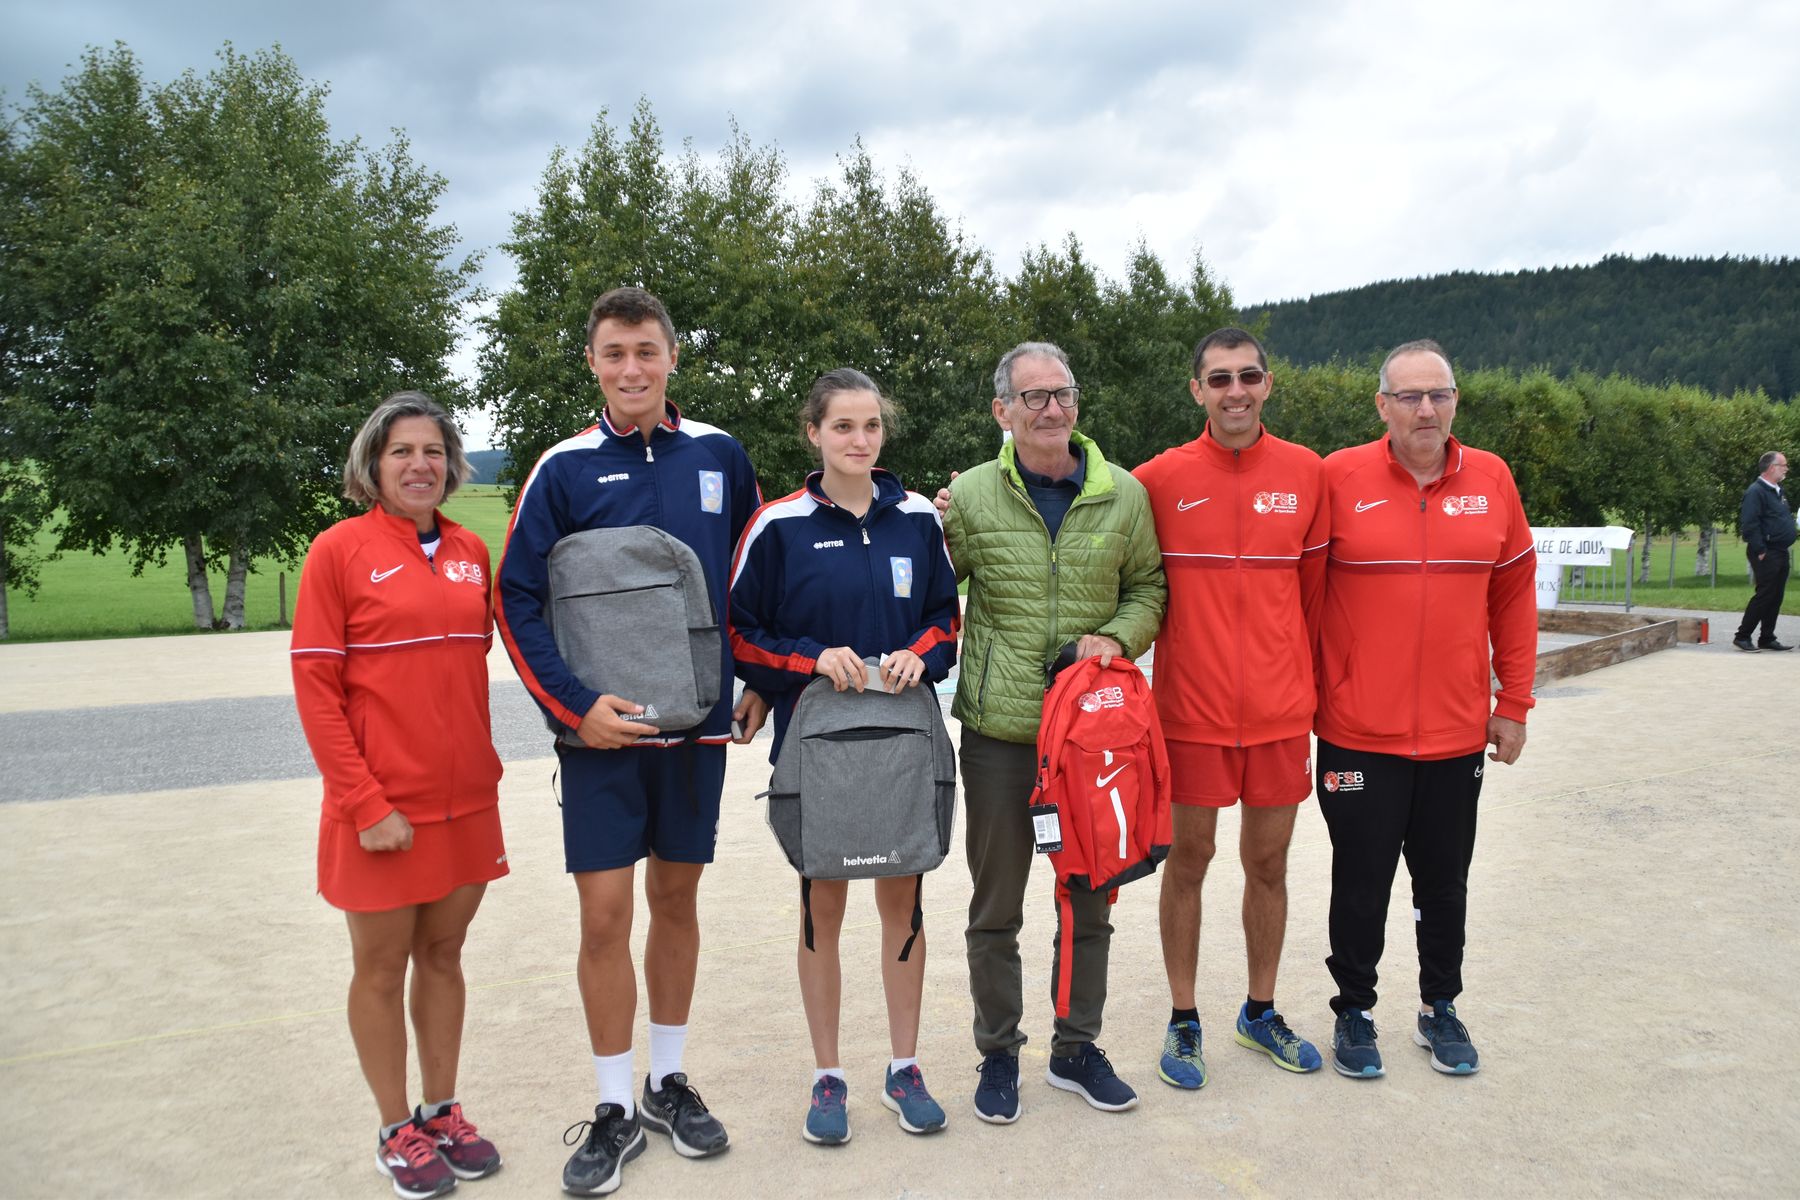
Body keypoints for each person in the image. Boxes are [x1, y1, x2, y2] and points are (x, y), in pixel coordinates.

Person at [494, 288, 766, 1196]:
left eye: (646, 350)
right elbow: (515, 599)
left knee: (677, 903)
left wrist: (759, 679)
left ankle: (666, 1083)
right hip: (602, 737)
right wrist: (574, 710)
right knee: (605, 917)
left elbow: (754, 578)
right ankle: (613, 1105)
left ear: (672, 356)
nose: (632, 368)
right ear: (592, 363)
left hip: (697, 728)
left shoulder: (720, 454)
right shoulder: (563, 468)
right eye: (614, 353)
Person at [728, 368, 961, 1146]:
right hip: (818, 746)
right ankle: (827, 1076)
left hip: (901, 743)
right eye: (843, 427)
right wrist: (808, 660)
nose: (859, 440)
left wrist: (921, 652)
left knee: (902, 902)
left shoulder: (917, 518)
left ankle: (905, 1067)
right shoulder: (778, 525)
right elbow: (741, 633)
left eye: (871, 426)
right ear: (814, 434)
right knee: (821, 906)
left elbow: (945, 620)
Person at [941, 341, 1167, 1121]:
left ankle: (1076, 1049)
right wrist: (928, 527)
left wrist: (1116, 638)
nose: (1050, 408)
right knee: (996, 906)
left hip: (1091, 739)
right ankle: (999, 1053)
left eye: (1062, 393)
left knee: (1089, 898)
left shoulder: (1124, 495)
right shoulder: (970, 496)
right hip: (1001, 735)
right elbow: (933, 587)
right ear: (1001, 411)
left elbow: (1149, 588)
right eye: (1033, 396)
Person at [291, 391, 506, 1200]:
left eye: (433, 451)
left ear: (451, 465)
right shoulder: (338, 551)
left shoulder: (470, 551)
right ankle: (395, 1129)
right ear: (372, 466)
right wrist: (363, 801)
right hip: (381, 809)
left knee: (444, 957)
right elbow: (317, 690)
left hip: (466, 801)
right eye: (401, 452)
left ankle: (441, 1111)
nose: (420, 464)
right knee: (380, 970)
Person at [1314, 339, 1536, 1080]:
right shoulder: (1338, 477)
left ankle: (1440, 1005)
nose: (1425, 409)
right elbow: (1299, 591)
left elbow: (1514, 599)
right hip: (1357, 733)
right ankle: (1354, 1009)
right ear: (1382, 405)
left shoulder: (1493, 479)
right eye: (1409, 396)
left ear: (1455, 402)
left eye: (1438, 394)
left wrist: (1514, 702)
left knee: (1444, 881)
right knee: (1361, 879)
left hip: (1455, 732)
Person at [1131, 328, 1327, 1089]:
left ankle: (1259, 1010)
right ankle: (1183, 1018)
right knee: (1189, 861)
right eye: (1219, 379)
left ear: (1268, 384)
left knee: (1268, 864)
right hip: (1190, 715)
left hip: (1280, 715)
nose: (1235, 391)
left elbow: (1315, 601)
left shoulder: (1308, 473)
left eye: (1248, 376)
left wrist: (1308, 690)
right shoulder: (1157, 479)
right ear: (1197, 391)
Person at [1732, 450, 1793, 653]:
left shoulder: (1778, 491)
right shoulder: (1756, 491)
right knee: (1765, 594)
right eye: (1783, 465)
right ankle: (1742, 636)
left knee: (1776, 595)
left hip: (1781, 550)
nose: (1786, 469)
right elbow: (1749, 523)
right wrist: (1760, 549)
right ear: (1772, 468)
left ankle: (1767, 637)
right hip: (1766, 551)